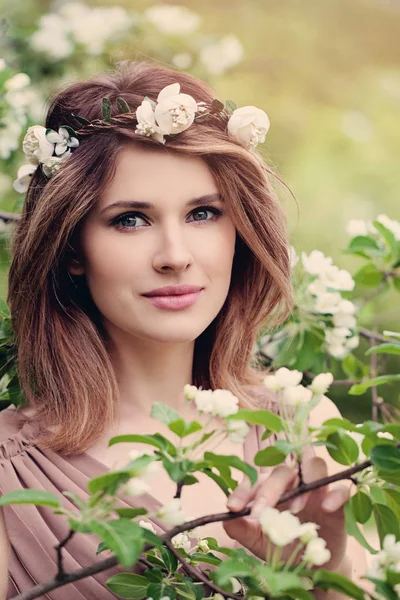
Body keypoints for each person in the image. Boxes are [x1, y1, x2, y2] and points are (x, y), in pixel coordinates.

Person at [0, 60, 365, 599]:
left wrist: (324, 575)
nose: (175, 256)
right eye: (131, 219)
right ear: (73, 248)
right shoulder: (12, 477)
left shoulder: (303, 431)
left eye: (202, 214)